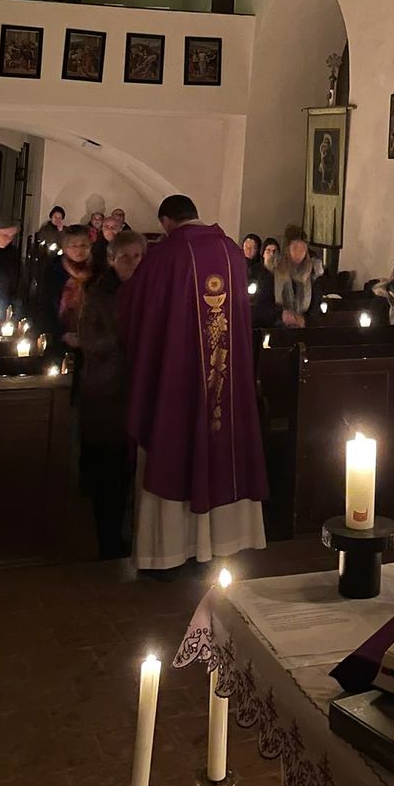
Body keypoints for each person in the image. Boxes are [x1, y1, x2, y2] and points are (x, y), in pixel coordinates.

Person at [120, 193, 267, 573]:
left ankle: (170, 554)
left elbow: (136, 313)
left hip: (178, 380)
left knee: (173, 447)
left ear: (166, 221)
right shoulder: (232, 251)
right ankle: (227, 543)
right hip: (226, 381)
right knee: (224, 442)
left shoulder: (165, 255)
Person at [76, 230, 146, 558]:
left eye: (137, 256)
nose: (132, 263)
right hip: (108, 394)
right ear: (112, 260)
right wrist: (124, 336)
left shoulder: (149, 290)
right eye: (125, 257)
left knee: (135, 475)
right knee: (110, 474)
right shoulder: (99, 295)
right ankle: (109, 543)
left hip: (139, 392)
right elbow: (90, 341)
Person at [254, 225, 323, 329]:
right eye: (295, 248)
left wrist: (305, 320)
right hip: (276, 329)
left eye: (302, 248)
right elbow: (261, 308)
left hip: (303, 331)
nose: (299, 253)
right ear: (287, 249)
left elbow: (316, 309)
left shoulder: (312, 275)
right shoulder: (272, 272)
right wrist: (280, 314)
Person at [39, 225, 95, 348]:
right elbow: (45, 306)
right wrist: (61, 333)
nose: (79, 250)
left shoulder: (98, 271)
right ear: (65, 248)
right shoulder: (53, 271)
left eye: (83, 245)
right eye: (73, 245)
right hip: (58, 337)